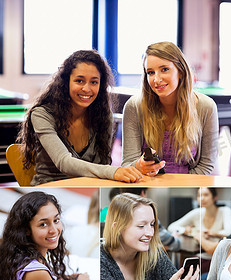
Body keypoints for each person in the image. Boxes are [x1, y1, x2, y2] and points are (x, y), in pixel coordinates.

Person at [17, 49, 142, 185]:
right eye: (79, 81)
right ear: (66, 82)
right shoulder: (42, 114)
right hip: (49, 186)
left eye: (94, 82)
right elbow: (64, 162)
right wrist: (113, 171)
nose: (87, 89)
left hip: (89, 187)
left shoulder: (104, 116)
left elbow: (102, 164)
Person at [122, 41, 218, 176]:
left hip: (188, 185)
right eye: (150, 72)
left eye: (164, 69)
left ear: (181, 71)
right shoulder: (134, 106)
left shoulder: (206, 107)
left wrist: (178, 186)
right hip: (146, 182)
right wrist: (139, 166)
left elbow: (206, 166)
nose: (156, 79)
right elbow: (128, 163)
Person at [100, 193, 198, 280]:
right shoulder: (101, 260)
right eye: (141, 226)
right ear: (117, 227)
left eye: (152, 224)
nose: (150, 233)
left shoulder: (155, 254)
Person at [0, 191, 90, 280]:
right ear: (26, 229)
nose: (54, 230)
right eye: (43, 224)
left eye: (56, 220)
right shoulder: (38, 274)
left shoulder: (16, 257)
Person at [167, 187, 231, 255]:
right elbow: (171, 227)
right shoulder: (196, 213)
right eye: (199, 195)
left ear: (215, 197)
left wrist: (214, 234)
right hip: (200, 256)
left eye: (206, 195)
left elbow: (230, 233)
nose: (202, 198)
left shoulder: (225, 211)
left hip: (219, 255)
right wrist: (184, 230)